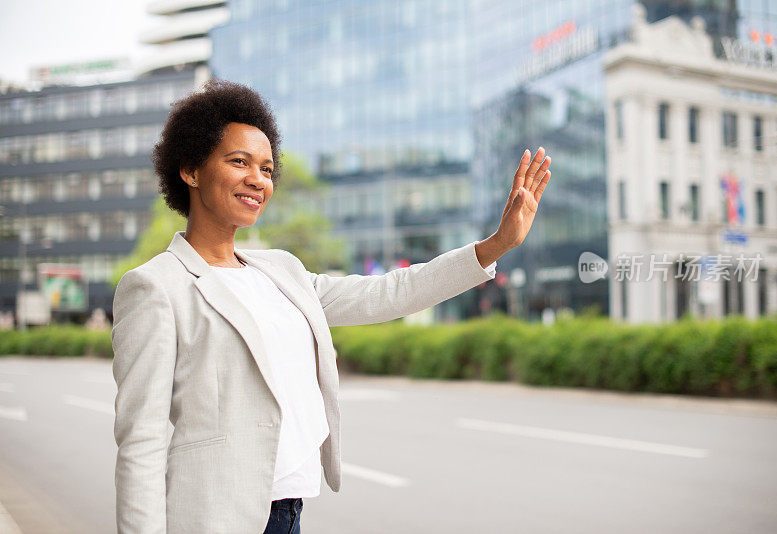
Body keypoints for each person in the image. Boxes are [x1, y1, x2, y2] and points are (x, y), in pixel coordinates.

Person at [110, 79, 552, 534]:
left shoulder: (282, 272)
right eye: (239, 162)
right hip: (212, 518)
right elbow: (140, 442)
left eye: (266, 168)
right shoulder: (155, 287)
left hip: (287, 512)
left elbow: (391, 292)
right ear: (190, 170)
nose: (257, 180)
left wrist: (496, 245)